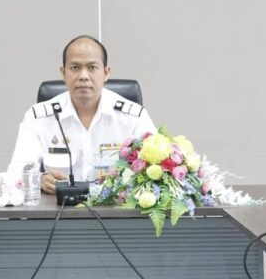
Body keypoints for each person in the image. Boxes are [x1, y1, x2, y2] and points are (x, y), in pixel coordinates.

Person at [8, 35, 156, 194]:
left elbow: (157, 168)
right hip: (58, 206)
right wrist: (39, 180)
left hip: (115, 206)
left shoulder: (134, 117)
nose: (83, 76)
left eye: (92, 67)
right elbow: (17, 171)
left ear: (106, 73)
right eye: (75, 67)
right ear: (63, 72)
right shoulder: (38, 117)